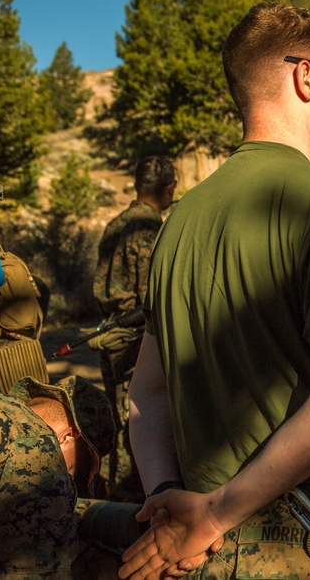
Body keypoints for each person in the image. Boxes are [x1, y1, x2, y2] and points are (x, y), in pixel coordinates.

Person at [118, 2, 310, 580]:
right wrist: (211, 517)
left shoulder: (179, 221)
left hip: (201, 549)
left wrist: (172, 500)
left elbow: (144, 395)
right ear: (305, 78)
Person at [92, 155, 176, 501]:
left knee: (115, 419)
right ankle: (130, 502)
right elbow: (152, 298)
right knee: (139, 423)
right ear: (168, 188)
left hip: (110, 335)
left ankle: (114, 493)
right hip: (136, 341)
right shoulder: (151, 231)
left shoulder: (115, 224)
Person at [0, 375, 114, 579]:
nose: (68, 477)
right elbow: (33, 572)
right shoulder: (36, 451)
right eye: (75, 472)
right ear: (68, 436)